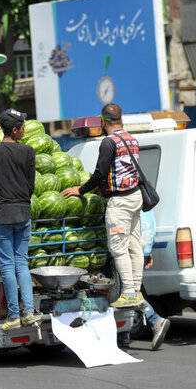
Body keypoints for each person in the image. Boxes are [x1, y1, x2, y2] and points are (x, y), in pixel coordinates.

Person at [63, 103, 145, 308]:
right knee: (135, 246)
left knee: (118, 248)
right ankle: (136, 290)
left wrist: (80, 190)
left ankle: (128, 293)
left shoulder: (109, 143)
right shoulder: (131, 139)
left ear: (102, 121)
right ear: (121, 120)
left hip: (120, 202)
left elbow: (100, 173)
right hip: (135, 197)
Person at [0, 108, 40, 331]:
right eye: (22, 127)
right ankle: (29, 312)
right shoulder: (28, 152)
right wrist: (22, 199)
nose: (24, 130)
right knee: (22, 262)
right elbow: (31, 185)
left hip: (1, 215)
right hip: (23, 213)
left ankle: (14, 316)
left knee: (8, 265)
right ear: (14, 129)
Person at [117, 210, 171, 351]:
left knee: (126, 292)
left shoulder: (125, 197)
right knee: (131, 291)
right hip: (139, 252)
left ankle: (154, 320)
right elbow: (149, 226)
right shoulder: (141, 198)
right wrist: (146, 252)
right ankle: (124, 336)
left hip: (129, 253)